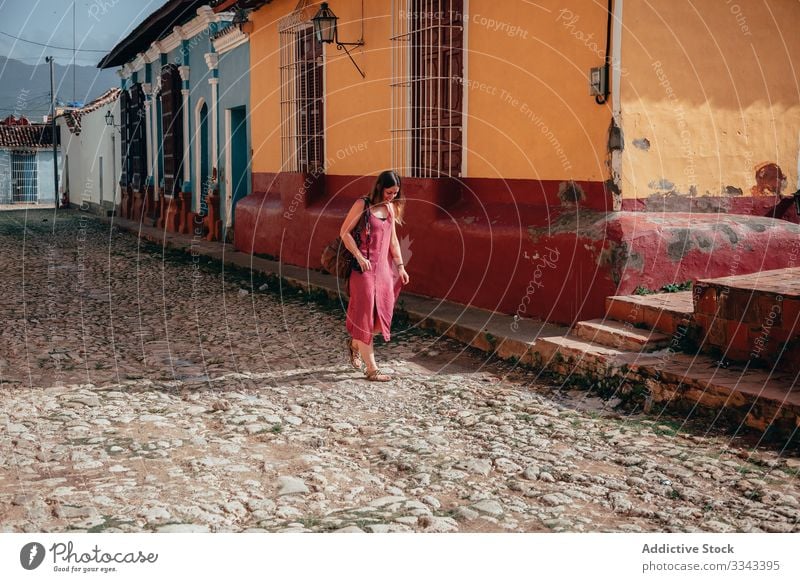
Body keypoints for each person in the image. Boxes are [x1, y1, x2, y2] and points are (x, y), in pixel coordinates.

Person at [340, 170, 410, 381]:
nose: (392, 196)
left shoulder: (390, 208)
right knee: (364, 316)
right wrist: (359, 256)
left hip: (384, 272)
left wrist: (400, 266)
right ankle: (372, 369)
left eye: (396, 193)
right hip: (363, 271)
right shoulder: (363, 205)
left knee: (381, 316)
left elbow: (393, 241)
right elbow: (344, 232)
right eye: (389, 192)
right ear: (380, 187)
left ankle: (355, 344)